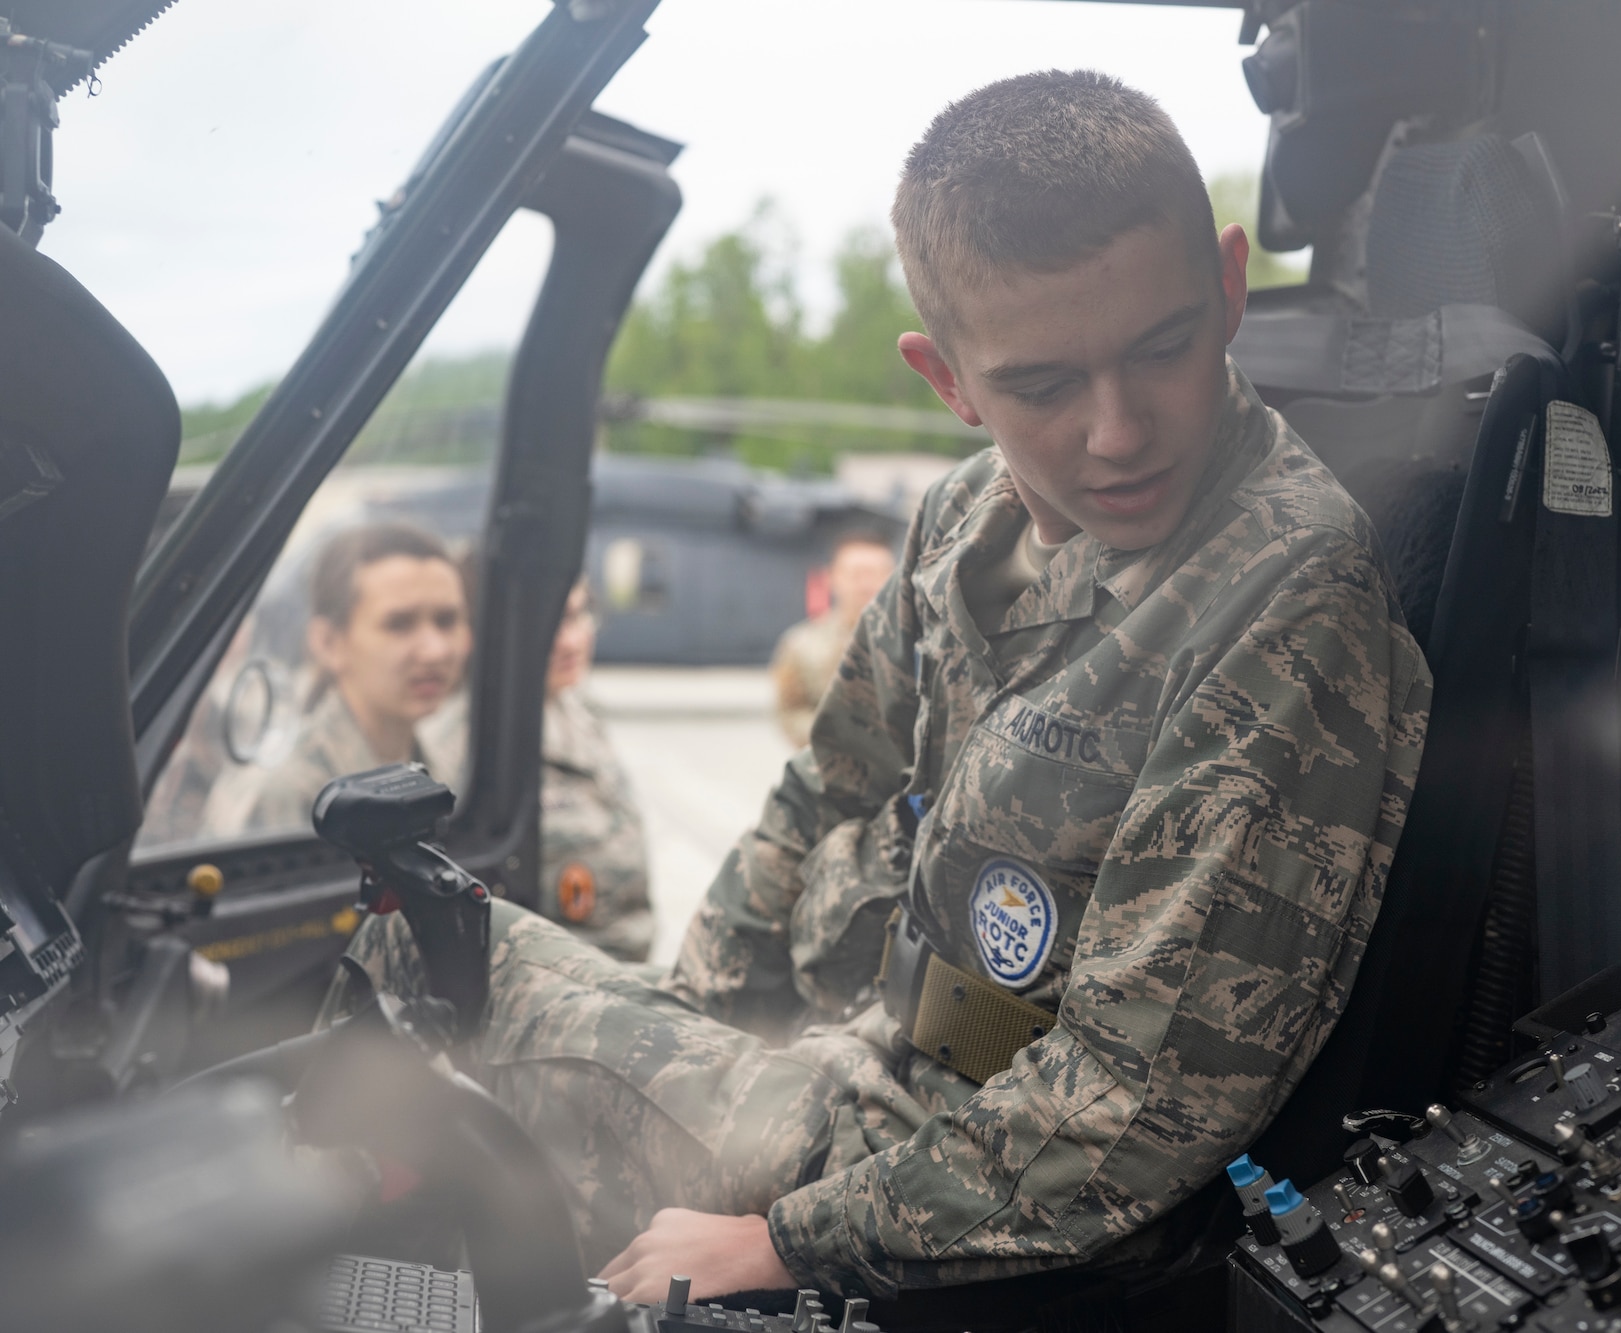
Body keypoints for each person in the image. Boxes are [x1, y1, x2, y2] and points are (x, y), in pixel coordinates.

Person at [326, 71, 1431, 1303]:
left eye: (1161, 348)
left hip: (984, 1185)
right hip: (863, 1062)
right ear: (946, 380)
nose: (1116, 431)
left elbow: (1137, 1099)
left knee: (435, 995)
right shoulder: (963, 518)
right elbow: (823, 788)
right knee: (417, 940)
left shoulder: (1285, 591)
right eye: (1041, 385)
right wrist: (693, 1023)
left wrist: (782, 1239)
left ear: (1228, 289)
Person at [423, 581, 654, 961]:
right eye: (548, 624)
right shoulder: (461, 753)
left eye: (578, 616)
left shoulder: (578, 710)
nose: (570, 642)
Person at [246, 522, 470, 831]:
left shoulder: (445, 769)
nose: (435, 651)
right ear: (328, 643)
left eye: (447, 621)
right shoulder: (292, 792)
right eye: (399, 624)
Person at [770, 530, 898, 747]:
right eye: (856, 574)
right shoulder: (800, 644)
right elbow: (790, 711)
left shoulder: (919, 641)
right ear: (832, 577)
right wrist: (836, 735)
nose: (867, 584)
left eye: (877, 573)